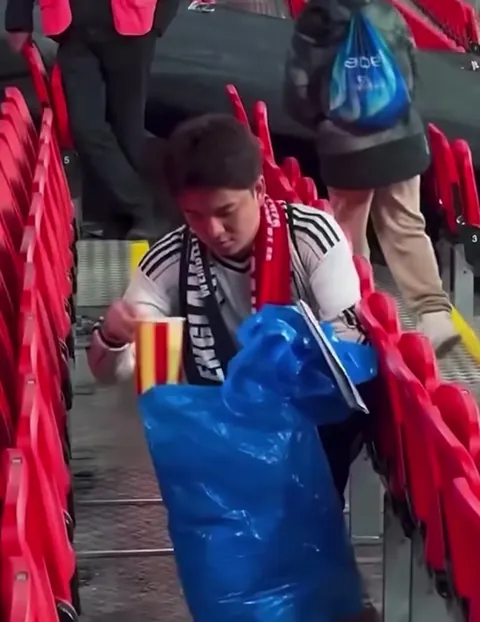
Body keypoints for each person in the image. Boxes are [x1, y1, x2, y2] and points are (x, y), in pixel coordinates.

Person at [284, 0, 459, 356]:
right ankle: (434, 314)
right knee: (406, 225)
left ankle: (359, 316)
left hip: (346, 149)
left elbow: (297, 93)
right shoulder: (387, 12)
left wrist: (325, 124)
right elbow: (411, 71)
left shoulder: (314, 23)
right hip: (402, 139)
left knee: (346, 234)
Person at [5, 0, 179, 238]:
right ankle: (142, 207)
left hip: (133, 26)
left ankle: (123, 216)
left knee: (127, 129)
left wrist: (160, 19)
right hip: (72, 31)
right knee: (85, 127)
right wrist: (18, 19)